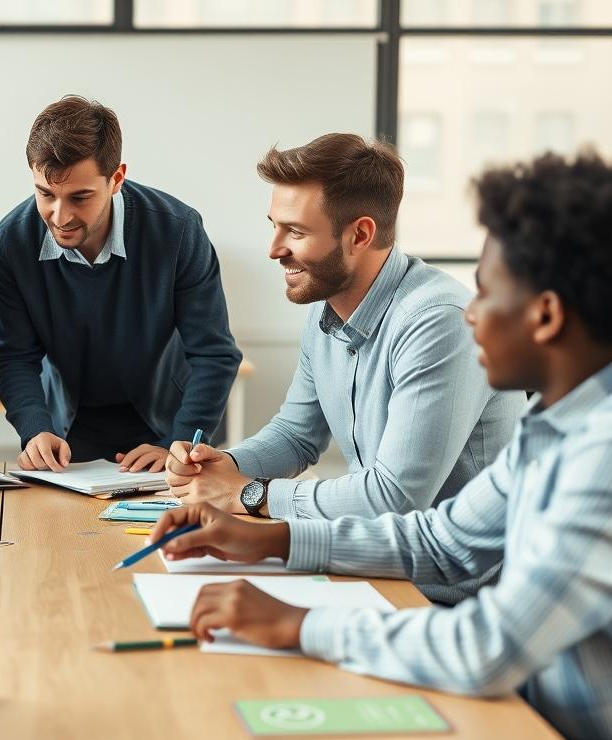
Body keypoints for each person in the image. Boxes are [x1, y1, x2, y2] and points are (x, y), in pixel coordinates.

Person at [149, 151, 612, 740]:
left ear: (546, 315)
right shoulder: (562, 422)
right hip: (528, 715)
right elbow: (443, 541)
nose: (471, 313)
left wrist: (296, 623)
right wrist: (264, 540)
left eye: (486, 292)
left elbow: (487, 646)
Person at [165, 133, 524, 603]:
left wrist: (249, 493)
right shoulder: (326, 308)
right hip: (378, 569)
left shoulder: (438, 322)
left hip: (456, 596)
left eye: (294, 231)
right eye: (274, 226)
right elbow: (296, 434)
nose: (274, 248)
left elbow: (394, 499)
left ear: (360, 235)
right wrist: (224, 466)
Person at [0, 95, 241, 473]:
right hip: (69, 431)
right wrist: (34, 429)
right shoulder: (12, 241)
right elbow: (14, 355)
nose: (60, 216)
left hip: (170, 424)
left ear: (116, 180)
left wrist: (182, 441)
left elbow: (214, 354)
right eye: (45, 194)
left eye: (80, 197)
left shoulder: (177, 230)